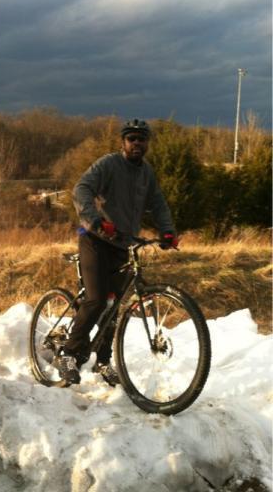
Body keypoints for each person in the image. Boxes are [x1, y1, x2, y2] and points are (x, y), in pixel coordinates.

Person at [54, 119, 178, 385]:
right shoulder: (109, 164)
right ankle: (68, 353)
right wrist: (95, 220)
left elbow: (158, 204)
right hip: (95, 239)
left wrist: (167, 231)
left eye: (141, 139)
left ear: (147, 143)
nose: (136, 143)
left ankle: (102, 361)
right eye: (131, 138)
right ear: (123, 142)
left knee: (112, 306)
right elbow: (81, 189)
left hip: (123, 245)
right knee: (97, 299)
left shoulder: (146, 173)